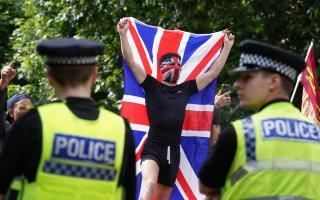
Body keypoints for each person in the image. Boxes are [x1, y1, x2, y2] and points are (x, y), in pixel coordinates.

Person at [0, 38, 136, 200]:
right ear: (94, 76)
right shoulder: (120, 128)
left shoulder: (33, 123)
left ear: (49, 77)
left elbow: (4, 186)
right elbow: (128, 191)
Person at [118, 17, 234, 200]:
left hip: (173, 151)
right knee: (148, 185)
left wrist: (227, 46)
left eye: (177, 64)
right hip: (153, 147)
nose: (175, 67)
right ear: (161, 67)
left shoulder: (186, 88)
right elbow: (131, 61)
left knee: (163, 197)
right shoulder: (151, 85)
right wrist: (123, 34)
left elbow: (212, 73)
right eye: (170, 63)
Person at [199, 39, 320, 200]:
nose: (237, 84)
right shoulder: (316, 134)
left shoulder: (239, 134)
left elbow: (206, 186)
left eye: (247, 77)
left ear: (273, 82)